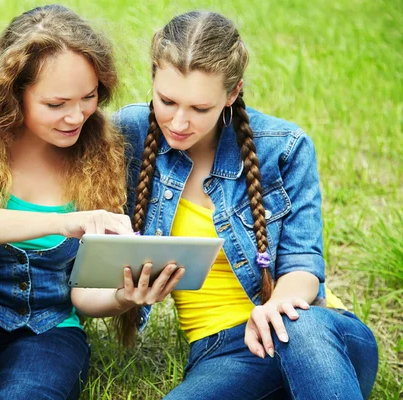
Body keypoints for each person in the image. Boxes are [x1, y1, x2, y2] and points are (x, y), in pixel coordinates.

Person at [0, 5, 177, 399]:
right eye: (55, 105)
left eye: (89, 97)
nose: (75, 116)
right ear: (13, 93)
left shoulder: (101, 151)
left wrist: (122, 297)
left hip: (47, 335)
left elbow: (81, 292)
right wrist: (59, 223)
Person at [109, 10, 379, 400]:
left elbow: (304, 267)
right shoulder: (131, 131)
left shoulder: (282, 146)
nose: (179, 122)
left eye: (200, 109)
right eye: (167, 100)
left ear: (232, 93)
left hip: (313, 332)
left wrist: (275, 308)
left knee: (297, 324)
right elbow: (61, 131)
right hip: (225, 353)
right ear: (152, 76)